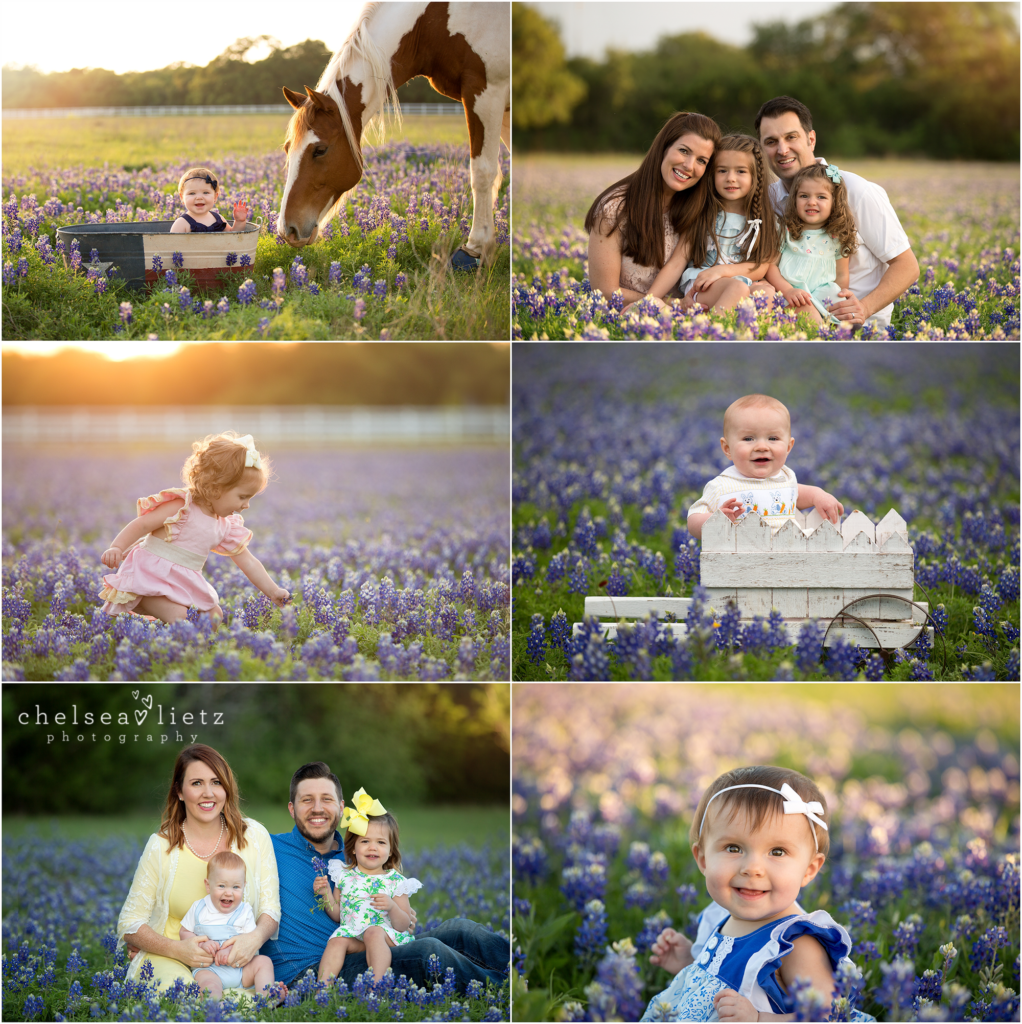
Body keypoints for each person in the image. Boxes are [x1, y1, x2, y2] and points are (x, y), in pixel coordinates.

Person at [641, 765, 875, 1022]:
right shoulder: (721, 915)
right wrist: (690, 963)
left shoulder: (794, 943)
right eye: (733, 848)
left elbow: (829, 1015)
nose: (752, 868)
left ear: (809, 870)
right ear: (703, 859)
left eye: (777, 852)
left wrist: (760, 1020)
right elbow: (720, 980)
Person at [262, 761, 509, 991]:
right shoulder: (266, 847)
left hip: (371, 943)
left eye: (326, 799)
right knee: (429, 952)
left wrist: (398, 912)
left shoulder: (355, 859)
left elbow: (395, 905)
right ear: (292, 809)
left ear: (340, 807)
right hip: (312, 972)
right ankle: (505, 992)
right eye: (307, 800)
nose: (317, 808)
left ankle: (518, 970)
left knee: (462, 929)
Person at [116, 745, 282, 996]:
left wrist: (254, 939)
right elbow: (129, 923)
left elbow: (271, 909)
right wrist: (176, 949)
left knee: (243, 1002)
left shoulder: (254, 836)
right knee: (188, 997)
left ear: (226, 788)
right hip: (170, 958)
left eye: (216, 782)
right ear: (179, 792)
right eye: (196, 783)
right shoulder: (161, 846)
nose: (208, 793)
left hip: (233, 963)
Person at [756, 96, 919, 330]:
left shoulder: (857, 191)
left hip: (854, 328)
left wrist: (864, 308)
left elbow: (907, 266)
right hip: (788, 322)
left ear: (811, 139)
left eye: (791, 137)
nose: (782, 150)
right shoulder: (768, 199)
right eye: (771, 141)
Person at [99, 431, 289, 625]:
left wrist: (273, 591)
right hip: (150, 577)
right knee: (180, 618)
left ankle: (197, 648)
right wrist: (117, 547)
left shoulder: (225, 526)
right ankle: (146, 599)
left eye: (250, 498)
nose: (246, 505)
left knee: (215, 617)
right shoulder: (183, 507)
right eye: (243, 497)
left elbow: (248, 562)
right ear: (217, 487)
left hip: (183, 582)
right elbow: (142, 524)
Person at [585, 112, 722, 309]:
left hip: (685, 323)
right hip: (626, 320)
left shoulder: (699, 210)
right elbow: (605, 292)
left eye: (702, 161)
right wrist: (673, 305)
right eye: (684, 151)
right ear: (663, 148)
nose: (689, 166)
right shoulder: (614, 209)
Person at [651, 133, 779, 313]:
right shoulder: (704, 214)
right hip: (702, 284)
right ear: (712, 174)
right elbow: (677, 262)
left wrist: (722, 272)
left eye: (740, 171)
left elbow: (760, 267)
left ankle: (752, 337)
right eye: (722, 170)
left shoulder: (761, 219)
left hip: (740, 280)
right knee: (737, 289)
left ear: (755, 176)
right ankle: (711, 335)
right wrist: (650, 299)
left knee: (767, 292)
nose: (730, 178)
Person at [687, 394, 844, 540]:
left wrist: (818, 495)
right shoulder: (722, 486)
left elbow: (796, 493)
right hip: (740, 563)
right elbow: (693, 519)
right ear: (727, 449)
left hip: (790, 558)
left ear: (789, 447)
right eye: (748, 438)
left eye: (773, 438)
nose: (762, 446)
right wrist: (715, 520)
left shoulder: (785, 478)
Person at [313, 789, 423, 982]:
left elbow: (404, 924)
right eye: (365, 841)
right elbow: (338, 913)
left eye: (381, 842)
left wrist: (391, 906)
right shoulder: (344, 875)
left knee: (373, 932)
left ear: (390, 851)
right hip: (357, 935)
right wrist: (325, 894)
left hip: (386, 938)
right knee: (337, 941)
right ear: (353, 848)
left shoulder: (394, 881)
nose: (372, 847)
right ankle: (322, 990)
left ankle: (377, 987)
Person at [179, 850, 285, 1004]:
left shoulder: (244, 911)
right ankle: (214, 1006)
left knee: (264, 962)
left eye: (236, 887)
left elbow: (249, 941)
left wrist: (230, 950)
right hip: (209, 969)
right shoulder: (199, 908)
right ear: (208, 885)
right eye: (221, 886)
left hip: (241, 969)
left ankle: (267, 995)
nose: (229, 893)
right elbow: (184, 932)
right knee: (209, 986)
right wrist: (202, 944)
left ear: (244, 886)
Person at [764, 163, 859, 325]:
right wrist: (788, 290)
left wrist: (841, 300)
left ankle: (839, 332)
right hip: (792, 292)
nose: (812, 202)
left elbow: (842, 275)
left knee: (846, 319)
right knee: (808, 322)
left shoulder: (838, 235)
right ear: (794, 199)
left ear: (835, 202)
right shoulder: (785, 230)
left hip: (823, 293)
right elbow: (770, 266)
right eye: (804, 196)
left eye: (821, 197)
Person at [171, 167, 250, 234]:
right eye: (192, 193)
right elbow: (171, 247)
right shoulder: (181, 223)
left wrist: (239, 221)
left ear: (215, 197)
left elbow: (233, 237)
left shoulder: (218, 219)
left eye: (205, 192)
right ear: (182, 197)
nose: (199, 197)